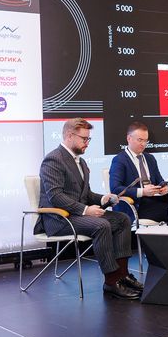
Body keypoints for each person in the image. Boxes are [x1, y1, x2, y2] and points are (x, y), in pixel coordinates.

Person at [37, 118, 140, 300]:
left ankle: (122, 275)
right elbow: (56, 197)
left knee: (122, 219)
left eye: (88, 139)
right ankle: (111, 281)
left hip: (75, 215)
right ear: (69, 136)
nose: (87, 143)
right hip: (58, 219)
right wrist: (86, 210)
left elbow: (86, 193)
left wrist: (103, 198)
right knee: (101, 225)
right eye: (84, 139)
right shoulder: (53, 159)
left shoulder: (81, 162)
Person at [108, 121, 168, 223]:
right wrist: (142, 191)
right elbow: (115, 189)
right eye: (140, 140)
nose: (143, 144)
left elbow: (160, 181)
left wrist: (164, 188)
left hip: (154, 199)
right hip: (138, 204)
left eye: (146, 141)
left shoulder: (150, 158)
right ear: (129, 138)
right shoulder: (119, 160)